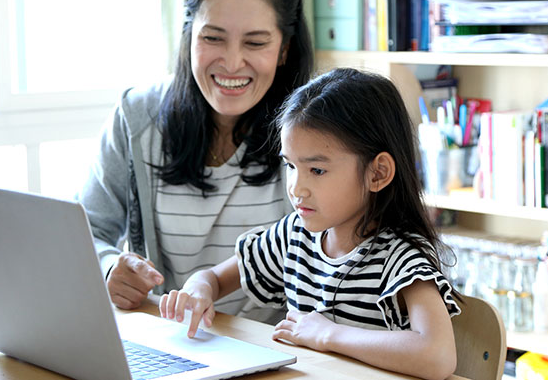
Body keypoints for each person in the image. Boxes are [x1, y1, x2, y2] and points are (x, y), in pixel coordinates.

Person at [159, 68, 462, 380]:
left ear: (378, 173)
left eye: (316, 170)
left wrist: (329, 335)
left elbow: (437, 355)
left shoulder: (401, 257)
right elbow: (215, 279)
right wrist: (198, 291)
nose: (296, 187)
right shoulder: (294, 236)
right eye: (291, 165)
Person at [77, 0, 313, 324]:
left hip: (277, 353)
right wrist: (108, 266)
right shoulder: (138, 116)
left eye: (255, 42)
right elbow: (83, 229)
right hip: (166, 345)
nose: (233, 62)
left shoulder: (316, 133)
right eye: (213, 38)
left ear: (284, 50)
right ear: (189, 36)